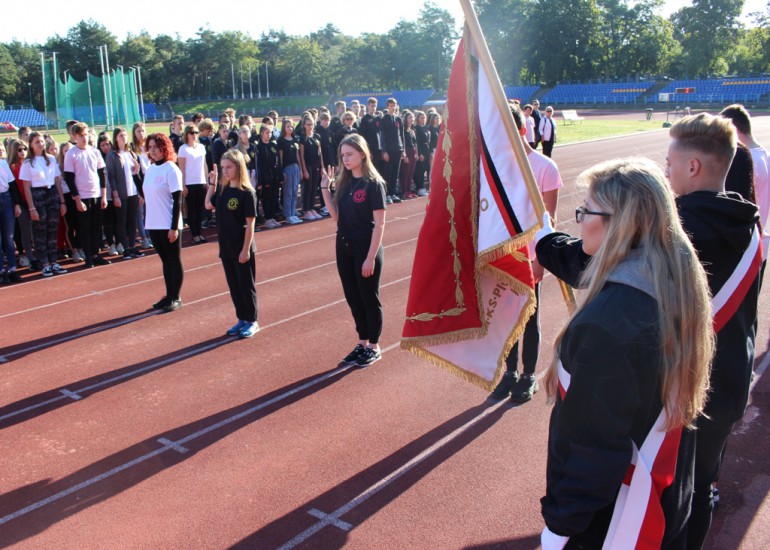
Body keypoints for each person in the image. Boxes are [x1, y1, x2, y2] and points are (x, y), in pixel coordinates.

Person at [535, 157, 714, 550]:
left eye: (586, 211)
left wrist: (560, 527)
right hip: (662, 501)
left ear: (622, 224)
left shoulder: (606, 325)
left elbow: (593, 445)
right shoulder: (672, 279)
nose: (579, 219)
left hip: (615, 522)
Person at [664, 114, 761, 549]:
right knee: (701, 487)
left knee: (663, 490)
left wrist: (546, 242)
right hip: (730, 380)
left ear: (693, 167)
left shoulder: (675, 229)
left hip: (682, 382)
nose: (665, 171)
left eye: (670, 162)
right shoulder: (749, 225)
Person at [490, 105, 563, 403]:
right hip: (503, 257)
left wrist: (540, 260)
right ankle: (509, 373)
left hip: (530, 256)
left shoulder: (546, 168)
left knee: (529, 318)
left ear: (523, 130)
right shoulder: (496, 169)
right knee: (506, 319)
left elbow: (550, 219)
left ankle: (528, 374)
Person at [320, 134, 387, 368]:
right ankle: (362, 341)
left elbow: (379, 224)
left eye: (349, 154)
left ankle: (374, 346)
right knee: (353, 298)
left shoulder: (373, 184)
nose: (345, 159)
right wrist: (325, 190)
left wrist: (370, 258)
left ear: (362, 154)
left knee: (369, 297)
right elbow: (337, 218)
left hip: (366, 248)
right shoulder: (344, 183)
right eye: (342, 156)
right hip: (344, 247)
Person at [205, 150, 259, 338]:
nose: (225, 171)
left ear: (238, 167)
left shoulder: (247, 193)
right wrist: (212, 184)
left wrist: (246, 250)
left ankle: (252, 321)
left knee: (246, 286)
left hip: (241, 248)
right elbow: (207, 205)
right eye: (223, 168)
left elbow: (250, 223)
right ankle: (241, 319)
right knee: (234, 287)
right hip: (226, 248)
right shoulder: (223, 190)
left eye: (229, 167)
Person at [720, 104, 769, 268]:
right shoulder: (764, 155)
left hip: (741, 240)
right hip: (755, 235)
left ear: (732, 128)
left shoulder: (742, 160)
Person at [144, 133, 184, 313]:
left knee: (173, 260)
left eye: (156, 147)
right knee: (165, 261)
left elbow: (178, 200)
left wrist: (174, 227)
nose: (152, 150)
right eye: (150, 147)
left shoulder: (171, 169)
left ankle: (176, 297)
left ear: (164, 147)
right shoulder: (150, 169)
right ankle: (168, 295)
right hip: (153, 223)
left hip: (169, 223)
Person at [19, 132, 67, 277]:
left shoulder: (51, 159)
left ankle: (53, 262)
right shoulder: (28, 163)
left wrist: (62, 201)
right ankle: (44, 263)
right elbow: (26, 187)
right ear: (31, 145)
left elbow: (57, 181)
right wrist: (32, 207)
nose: (40, 144)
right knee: (40, 230)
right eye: (36, 142)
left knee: (53, 229)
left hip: (52, 194)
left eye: (41, 141)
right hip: (38, 195)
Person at [63, 122, 110, 268]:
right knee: (84, 228)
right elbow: (69, 179)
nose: (84, 138)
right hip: (82, 197)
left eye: (86, 134)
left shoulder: (94, 151)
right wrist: (77, 199)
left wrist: (103, 196)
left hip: (96, 194)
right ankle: (88, 256)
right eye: (81, 135)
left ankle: (96, 254)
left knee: (97, 227)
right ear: (75, 136)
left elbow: (102, 174)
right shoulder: (71, 154)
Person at [106, 127, 144, 260]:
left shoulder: (130, 153)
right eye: (121, 136)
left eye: (125, 135)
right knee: (122, 221)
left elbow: (136, 174)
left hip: (133, 192)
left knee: (132, 220)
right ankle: (126, 248)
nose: (124, 138)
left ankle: (133, 246)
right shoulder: (112, 155)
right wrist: (115, 195)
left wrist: (139, 192)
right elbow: (111, 176)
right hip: (121, 194)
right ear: (116, 138)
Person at [178, 124, 208, 244]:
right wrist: (183, 185)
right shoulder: (183, 149)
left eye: (196, 132)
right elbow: (181, 168)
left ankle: (199, 233)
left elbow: (204, 165)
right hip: (189, 183)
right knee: (191, 210)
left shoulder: (201, 147)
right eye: (191, 133)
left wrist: (207, 181)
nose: (194, 135)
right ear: (187, 135)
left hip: (200, 181)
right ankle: (194, 234)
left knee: (200, 209)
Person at [131, 122, 154, 250]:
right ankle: (144, 237)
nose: (141, 134)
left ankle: (150, 234)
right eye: (139, 131)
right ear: (134, 133)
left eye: (143, 131)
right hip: (139, 181)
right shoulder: (132, 149)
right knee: (140, 211)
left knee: (150, 210)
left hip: (151, 180)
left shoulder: (150, 147)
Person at [379, 98, 405, 204]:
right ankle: (387, 194)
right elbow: (382, 136)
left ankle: (393, 193)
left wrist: (403, 149)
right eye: (391, 105)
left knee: (395, 172)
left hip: (397, 149)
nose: (393, 107)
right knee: (387, 172)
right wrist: (384, 151)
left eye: (394, 105)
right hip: (388, 150)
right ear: (387, 106)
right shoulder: (384, 119)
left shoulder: (398, 119)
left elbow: (401, 135)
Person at [0, 151, 21, 283]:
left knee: (9, 238)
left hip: (6, 200)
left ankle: (12, 269)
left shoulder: (3, 163)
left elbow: (12, 185)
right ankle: (1, 271)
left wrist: (17, 204)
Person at [278, 118, 302, 225]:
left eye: (291, 126)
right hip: (287, 168)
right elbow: (281, 157)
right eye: (288, 126)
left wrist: (300, 169)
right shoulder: (281, 141)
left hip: (295, 167)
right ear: (284, 127)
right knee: (288, 192)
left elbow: (297, 155)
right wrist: (281, 171)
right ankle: (288, 215)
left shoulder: (294, 139)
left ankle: (293, 213)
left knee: (294, 191)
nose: (290, 128)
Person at [257, 124, 281, 229]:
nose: (269, 134)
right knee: (266, 197)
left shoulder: (273, 145)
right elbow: (260, 164)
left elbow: (277, 160)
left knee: (274, 196)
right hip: (265, 175)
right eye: (267, 132)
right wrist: (262, 179)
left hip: (274, 175)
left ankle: (272, 217)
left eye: (270, 132)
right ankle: (267, 218)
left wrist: (279, 173)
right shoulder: (258, 147)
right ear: (262, 133)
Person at [299, 116, 324, 220]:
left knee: (314, 188)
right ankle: (306, 210)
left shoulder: (316, 136)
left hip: (316, 165)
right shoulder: (302, 138)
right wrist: (304, 170)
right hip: (308, 166)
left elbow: (320, 153)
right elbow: (301, 155)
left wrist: (322, 167)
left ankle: (311, 208)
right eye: (308, 124)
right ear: (304, 125)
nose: (310, 126)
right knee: (307, 188)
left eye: (312, 124)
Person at [399, 110, 418, 199]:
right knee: (405, 173)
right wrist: (404, 155)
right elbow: (403, 143)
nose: (411, 119)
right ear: (406, 119)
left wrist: (416, 153)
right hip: (406, 151)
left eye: (412, 117)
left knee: (411, 173)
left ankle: (409, 191)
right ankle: (404, 192)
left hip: (413, 152)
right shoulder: (402, 130)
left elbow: (415, 143)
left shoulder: (412, 131)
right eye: (410, 117)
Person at [414, 111, 431, 197]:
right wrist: (420, 153)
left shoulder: (426, 128)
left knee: (425, 168)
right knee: (420, 170)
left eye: (424, 117)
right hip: (421, 150)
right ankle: (419, 187)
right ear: (417, 119)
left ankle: (423, 187)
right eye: (422, 118)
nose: (423, 119)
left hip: (427, 149)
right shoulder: (416, 128)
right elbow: (417, 142)